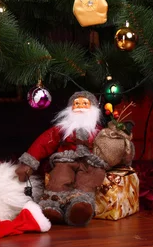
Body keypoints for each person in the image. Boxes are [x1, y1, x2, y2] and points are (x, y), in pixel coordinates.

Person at [14, 91, 108, 226]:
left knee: (87, 180)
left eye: (85, 104)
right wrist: (28, 163)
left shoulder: (99, 132)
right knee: (59, 177)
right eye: (77, 103)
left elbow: (110, 146)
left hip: (90, 163)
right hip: (65, 160)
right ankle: (52, 206)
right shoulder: (61, 130)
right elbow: (43, 143)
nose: (80, 106)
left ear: (93, 109)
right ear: (70, 108)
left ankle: (80, 207)